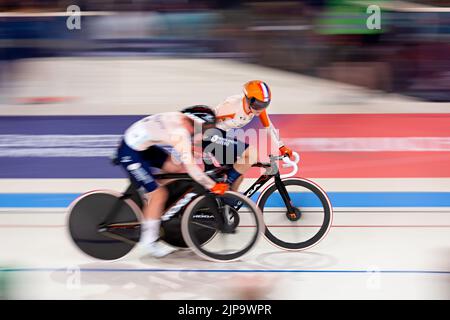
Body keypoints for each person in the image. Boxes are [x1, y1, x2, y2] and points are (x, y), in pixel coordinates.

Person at [117, 106, 228, 258]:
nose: (206, 131)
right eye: (205, 127)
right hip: (130, 152)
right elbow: (192, 169)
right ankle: (149, 240)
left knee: (175, 168)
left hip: (142, 146)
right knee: (159, 195)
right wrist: (213, 186)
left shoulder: (183, 120)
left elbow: (191, 151)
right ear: (195, 122)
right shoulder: (180, 133)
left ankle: (152, 198)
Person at [203, 80, 293, 191]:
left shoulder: (258, 109)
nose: (260, 109)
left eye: (264, 105)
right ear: (248, 99)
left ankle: (226, 204)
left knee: (239, 175)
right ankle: (226, 184)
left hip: (220, 136)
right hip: (209, 135)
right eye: (258, 104)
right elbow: (205, 122)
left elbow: (269, 126)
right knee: (251, 153)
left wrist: (281, 146)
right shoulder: (232, 106)